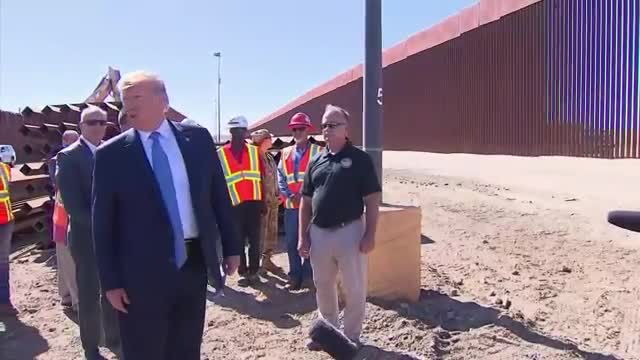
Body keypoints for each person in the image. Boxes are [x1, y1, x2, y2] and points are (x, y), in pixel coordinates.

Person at [93, 71, 241, 360]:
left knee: (186, 348)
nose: (129, 105)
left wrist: (232, 247)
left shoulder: (197, 140)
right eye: (125, 99)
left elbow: (218, 196)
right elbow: (102, 224)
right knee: (144, 350)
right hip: (139, 273)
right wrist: (110, 282)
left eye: (136, 97)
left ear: (164, 101)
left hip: (192, 263)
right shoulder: (111, 155)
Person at [299, 104, 381, 349]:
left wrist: (370, 234)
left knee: (355, 288)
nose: (327, 129)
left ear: (346, 129)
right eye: (324, 125)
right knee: (323, 286)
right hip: (319, 234)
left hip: (350, 232)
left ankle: (351, 336)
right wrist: (303, 237)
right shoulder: (316, 161)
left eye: (333, 124)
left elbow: (372, 200)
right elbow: (305, 202)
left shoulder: (360, 159)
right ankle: (329, 335)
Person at [56, 105, 121, 360]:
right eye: (92, 122)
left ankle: (115, 341)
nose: (97, 127)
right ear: (81, 126)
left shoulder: (112, 153)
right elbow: (75, 207)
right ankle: (91, 347)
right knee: (90, 294)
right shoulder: (68, 157)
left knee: (112, 292)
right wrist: (106, 228)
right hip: (87, 238)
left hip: (114, 239)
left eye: (102, 123)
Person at [216, 116, 265, 286]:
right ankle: (243, 272)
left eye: (240, 130)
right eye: (234, 131)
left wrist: (263, 202)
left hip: (253, 204)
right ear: (230, 132)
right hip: (233, 206)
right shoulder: (221, 154)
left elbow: (262, 177)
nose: (238, 134)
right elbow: (219, 184)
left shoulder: (254, 151)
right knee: (237, 240)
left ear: (245, 132)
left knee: (254, 241)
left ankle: (254, 271)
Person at [277, 112, 323, 290]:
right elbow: (281, 177)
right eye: (294, 129)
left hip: (310, 206)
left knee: (312, 241)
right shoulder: (285, 152)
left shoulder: (318, 151)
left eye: (301, 129)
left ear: (308, 130)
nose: (297, 132)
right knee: (291, 242)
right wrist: (289, 195)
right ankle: (294, 277)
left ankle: (308, 275)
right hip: (291, 206)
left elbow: (321, 178)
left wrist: (304, 198)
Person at [51, 130, 80, 311]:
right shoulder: (60, 160)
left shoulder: (60, 160)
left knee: (65, 257)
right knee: (69, 258)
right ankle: (76, 300)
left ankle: (66, 296)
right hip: (65, 215)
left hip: (61, 215)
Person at [251, 129, 281, 273]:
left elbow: (274, 178)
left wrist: (278, 194)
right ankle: (256, 267)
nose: (271, 140)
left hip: (273, 202)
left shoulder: (269, 156)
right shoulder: (254, 157)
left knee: (271, 234)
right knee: (260, 236)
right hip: (261, 204)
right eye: (269, 138)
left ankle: (267, 261)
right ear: (263, 140)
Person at [0, 160, 15, 316]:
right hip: (6, 220)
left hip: (4, 220)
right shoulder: (4, 167)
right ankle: (5, 302)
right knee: (3, 263)